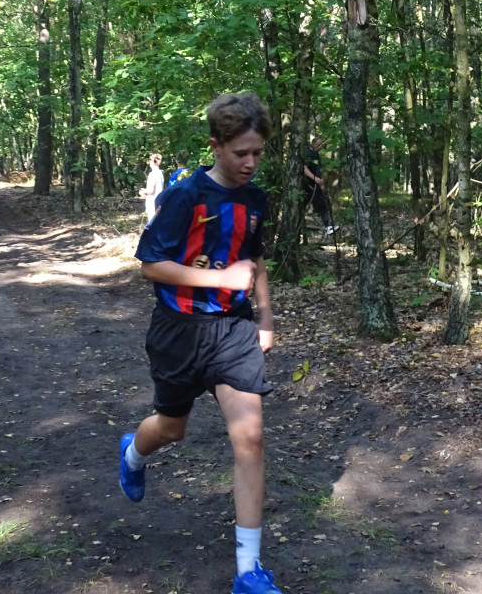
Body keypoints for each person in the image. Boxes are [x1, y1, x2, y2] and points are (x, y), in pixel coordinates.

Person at [119, 92, 283, 594]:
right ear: (216, 146)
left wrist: (265, 315)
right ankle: (132, 454)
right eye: (241, 153)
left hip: (233, 331)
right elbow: (150, 265)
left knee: (250, 438)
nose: (251, 163)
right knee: (171, 429)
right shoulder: (184, 197)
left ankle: (248, 572)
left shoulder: (256, 200)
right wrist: (218, 280)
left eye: (258, 152)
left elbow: (253, 263)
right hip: (179, 331)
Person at [302, 136, 335, 235]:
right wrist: (314, 178)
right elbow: (304, 168)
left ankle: (328, 226)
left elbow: (318, 171)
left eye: (322, 145)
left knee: (321, 204)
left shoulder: (317, 156)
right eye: (318, 144)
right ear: (313, 144)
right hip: (307, 184)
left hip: (316, 185)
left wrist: (321, 183)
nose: (320, 146)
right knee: (301, 206)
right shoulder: (307, 154)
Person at [139, 152, 164, 223]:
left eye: (150, 160)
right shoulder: (160, 173)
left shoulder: (153, 174)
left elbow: (151, 190)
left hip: (152, 203)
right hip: (159, 202)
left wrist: (142, 191)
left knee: (152, 224)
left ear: (153, 161)